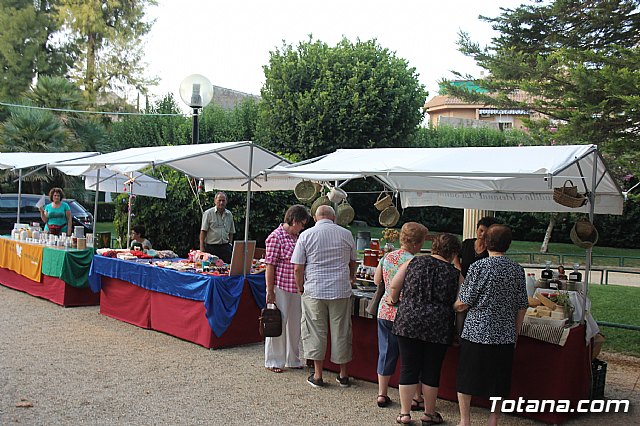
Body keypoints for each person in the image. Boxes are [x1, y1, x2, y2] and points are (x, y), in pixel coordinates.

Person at [454, 224, 528, 426]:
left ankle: (465, 420)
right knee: (499, 381)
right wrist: (516, 333)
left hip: (476, 332)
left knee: (467, 378)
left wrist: (453, 305)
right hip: (504, 334)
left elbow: (464, 302)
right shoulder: (517, 270)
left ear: (486, 243)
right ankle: (493, 419)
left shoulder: (478, 267)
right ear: (509, 245)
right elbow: (522, 306)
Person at [388, 233, 462, 425]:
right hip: (439, 324)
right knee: (432, 369)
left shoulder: (413, 263)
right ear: (453, 253)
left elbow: (394, 286)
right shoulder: (454, 273)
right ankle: (429, 413)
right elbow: (461, 302)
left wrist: (394, 301)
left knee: (408, 367)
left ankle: (404, 413)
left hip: (408, 320)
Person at [291, 205, 357, 388]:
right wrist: (350, 277)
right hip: (340, 290)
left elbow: (298, 266)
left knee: (315, 331)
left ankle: (318, 375)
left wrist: (300, 287)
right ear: (334, 217)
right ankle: (343, 374)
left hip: (314, 289)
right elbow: (353, 261)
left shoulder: (306, 235)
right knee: (341, 330)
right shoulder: (346, 234)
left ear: (314, 217)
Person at [373, 222, 429, 408]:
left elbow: (376, 280)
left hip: (385, 311)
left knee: (386, 352)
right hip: (406, 314)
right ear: (416, 243)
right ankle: (415, 396)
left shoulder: (387, 257)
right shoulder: (415, 261)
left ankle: (382, 393)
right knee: (411, 357)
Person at [264, 205, 311, 373]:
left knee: (295, 324)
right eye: (302, 224)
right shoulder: (275, 237)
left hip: (296, 288)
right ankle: (274, 360)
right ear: (294, 221)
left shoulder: (297, 237)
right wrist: (270, 290)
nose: (303, 227)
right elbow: (270, 265)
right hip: (280, 286)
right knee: (276, 322)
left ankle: (293, 358)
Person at [200, 192, 235, 263]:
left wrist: (230, 244)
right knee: (211, 270)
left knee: (226, 270)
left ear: (226, 201)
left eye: (223, 200)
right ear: (215, 201)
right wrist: (202, 248)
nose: (221, 203)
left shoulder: (229, 214)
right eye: (219, 200)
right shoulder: (208, 213)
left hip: (225, 248)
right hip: (212, 248)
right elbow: (203, 231)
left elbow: (231, 232)